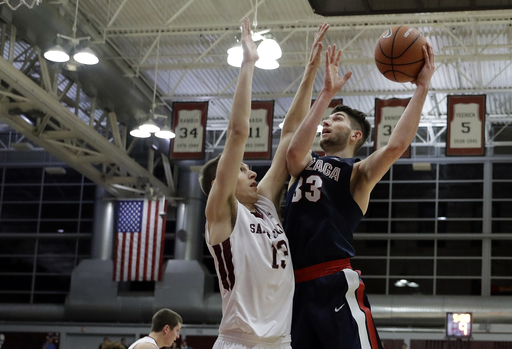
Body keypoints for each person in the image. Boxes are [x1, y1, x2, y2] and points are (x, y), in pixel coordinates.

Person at [283, 41, 435, 349]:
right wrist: (324, 93)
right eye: (327, 118)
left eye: (336, 119)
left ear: (356, 136)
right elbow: (293, 152)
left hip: (332, 281)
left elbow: (395, 147)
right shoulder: (303, 162)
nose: (327, 121)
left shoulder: (357, 173)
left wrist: (421, 88)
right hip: (291, 287)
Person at [199, 18, 331, 349]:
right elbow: (238, 133)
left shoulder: (264, 204)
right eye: (242, 170)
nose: (253, 173)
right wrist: (248, 64)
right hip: (239, 341)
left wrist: (311, 70)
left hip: (280, 341)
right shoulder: (222, 214)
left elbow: (289, 133)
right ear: (223, 180)